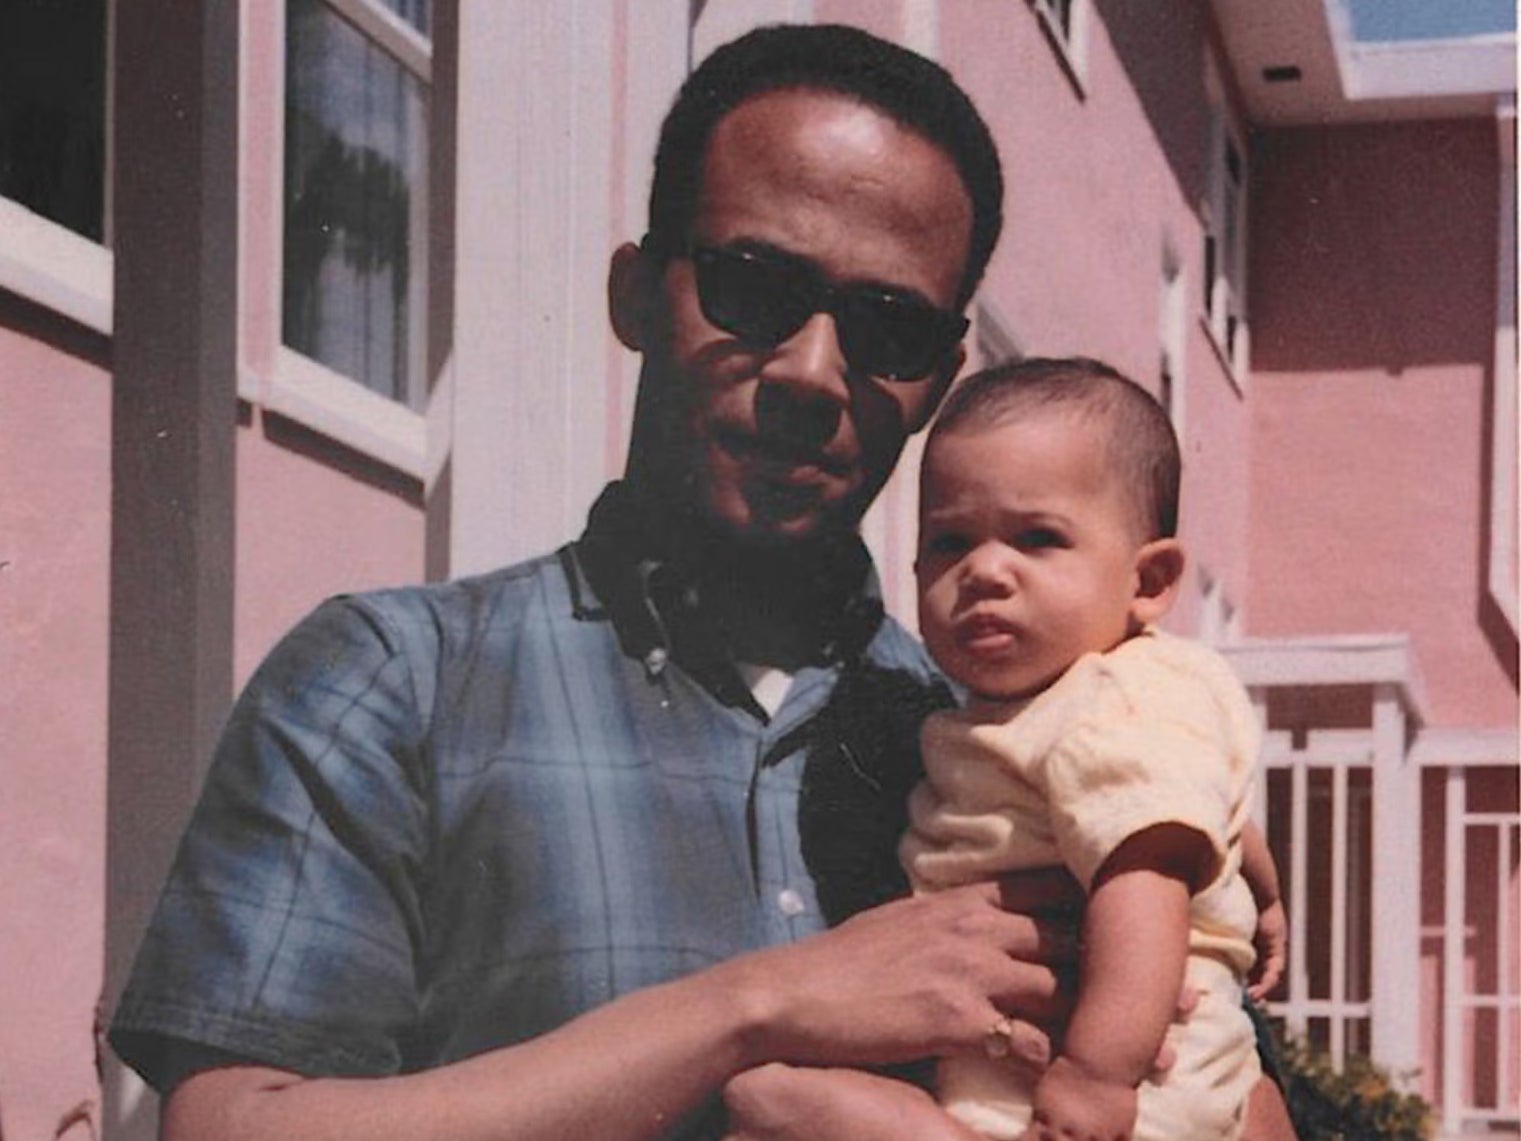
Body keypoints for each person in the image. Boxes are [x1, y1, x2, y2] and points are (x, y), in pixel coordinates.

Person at [108, 24, 1294, 1141]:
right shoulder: (397, 683)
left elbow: (1230, 1090)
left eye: (889, 326)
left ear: (938, 379)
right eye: (755, 288)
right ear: (636, 291)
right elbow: (228, 1124)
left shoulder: (1000, 737)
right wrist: (761, 1006)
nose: (815, 372)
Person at [896, 358, 1284, 1140]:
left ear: (1148, 580)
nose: (983, 571)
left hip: (1115, 1074)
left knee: (778, 1101)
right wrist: (1266, 899)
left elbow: (1143, 880)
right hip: (1092, 1049)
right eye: (948, 541)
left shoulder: (1104, 703)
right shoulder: (1127, 696)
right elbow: (1210, 817)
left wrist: (1097, 1077)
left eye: (1036, 537)